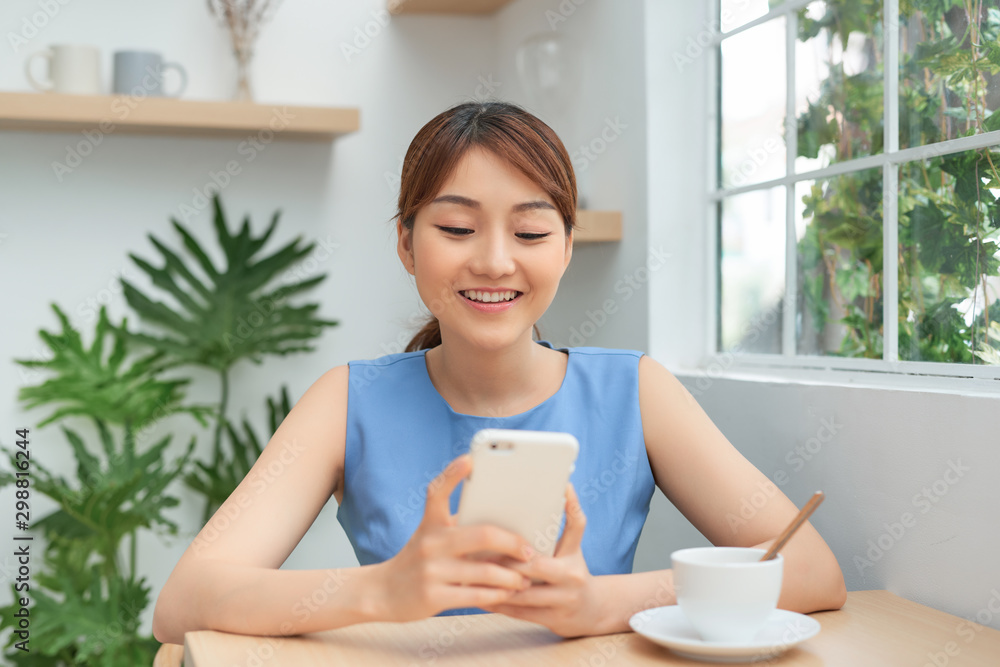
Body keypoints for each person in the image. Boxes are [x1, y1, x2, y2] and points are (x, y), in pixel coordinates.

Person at [152, 101, 846, 645]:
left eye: (531, 232)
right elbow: (183, 602)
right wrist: (385, 592)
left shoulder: (635, 391)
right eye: (456, 229)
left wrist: (600, 603)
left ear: (568, 246)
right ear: (406, 243)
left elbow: (812, 572)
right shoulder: (346, 401)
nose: (492, 260)